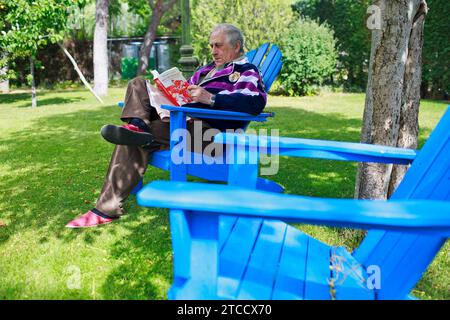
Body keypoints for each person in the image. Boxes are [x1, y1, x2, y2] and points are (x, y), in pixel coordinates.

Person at [66, 23, 267, 228]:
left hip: (211, 135)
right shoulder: (207, 70)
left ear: (236, 46)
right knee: (137, 84)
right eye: (211, 46)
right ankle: (138, 125)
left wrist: (212, 99)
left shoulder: (246, 71)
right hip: (182, 120)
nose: (213, 51)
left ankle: (105, 209)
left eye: (219, 46)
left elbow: (255, 102)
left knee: (137, 137)